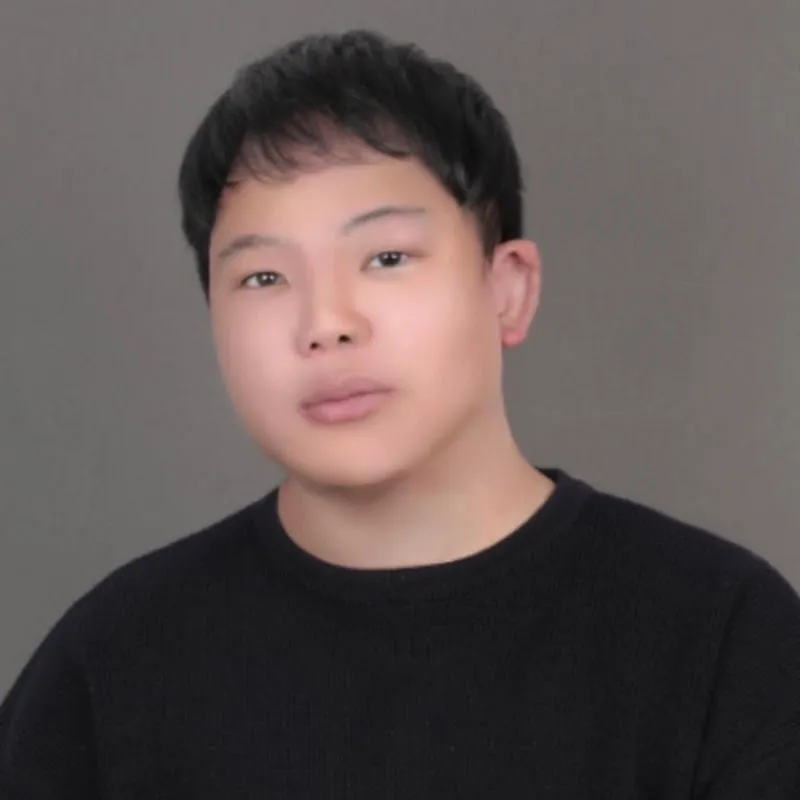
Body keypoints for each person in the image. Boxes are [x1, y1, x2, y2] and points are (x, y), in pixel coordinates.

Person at [1, 28, 798, 799]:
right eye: (263, 278)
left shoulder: (721, 636)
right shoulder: (112, 663)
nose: (326, 323)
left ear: (507, 289)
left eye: (386, 258)